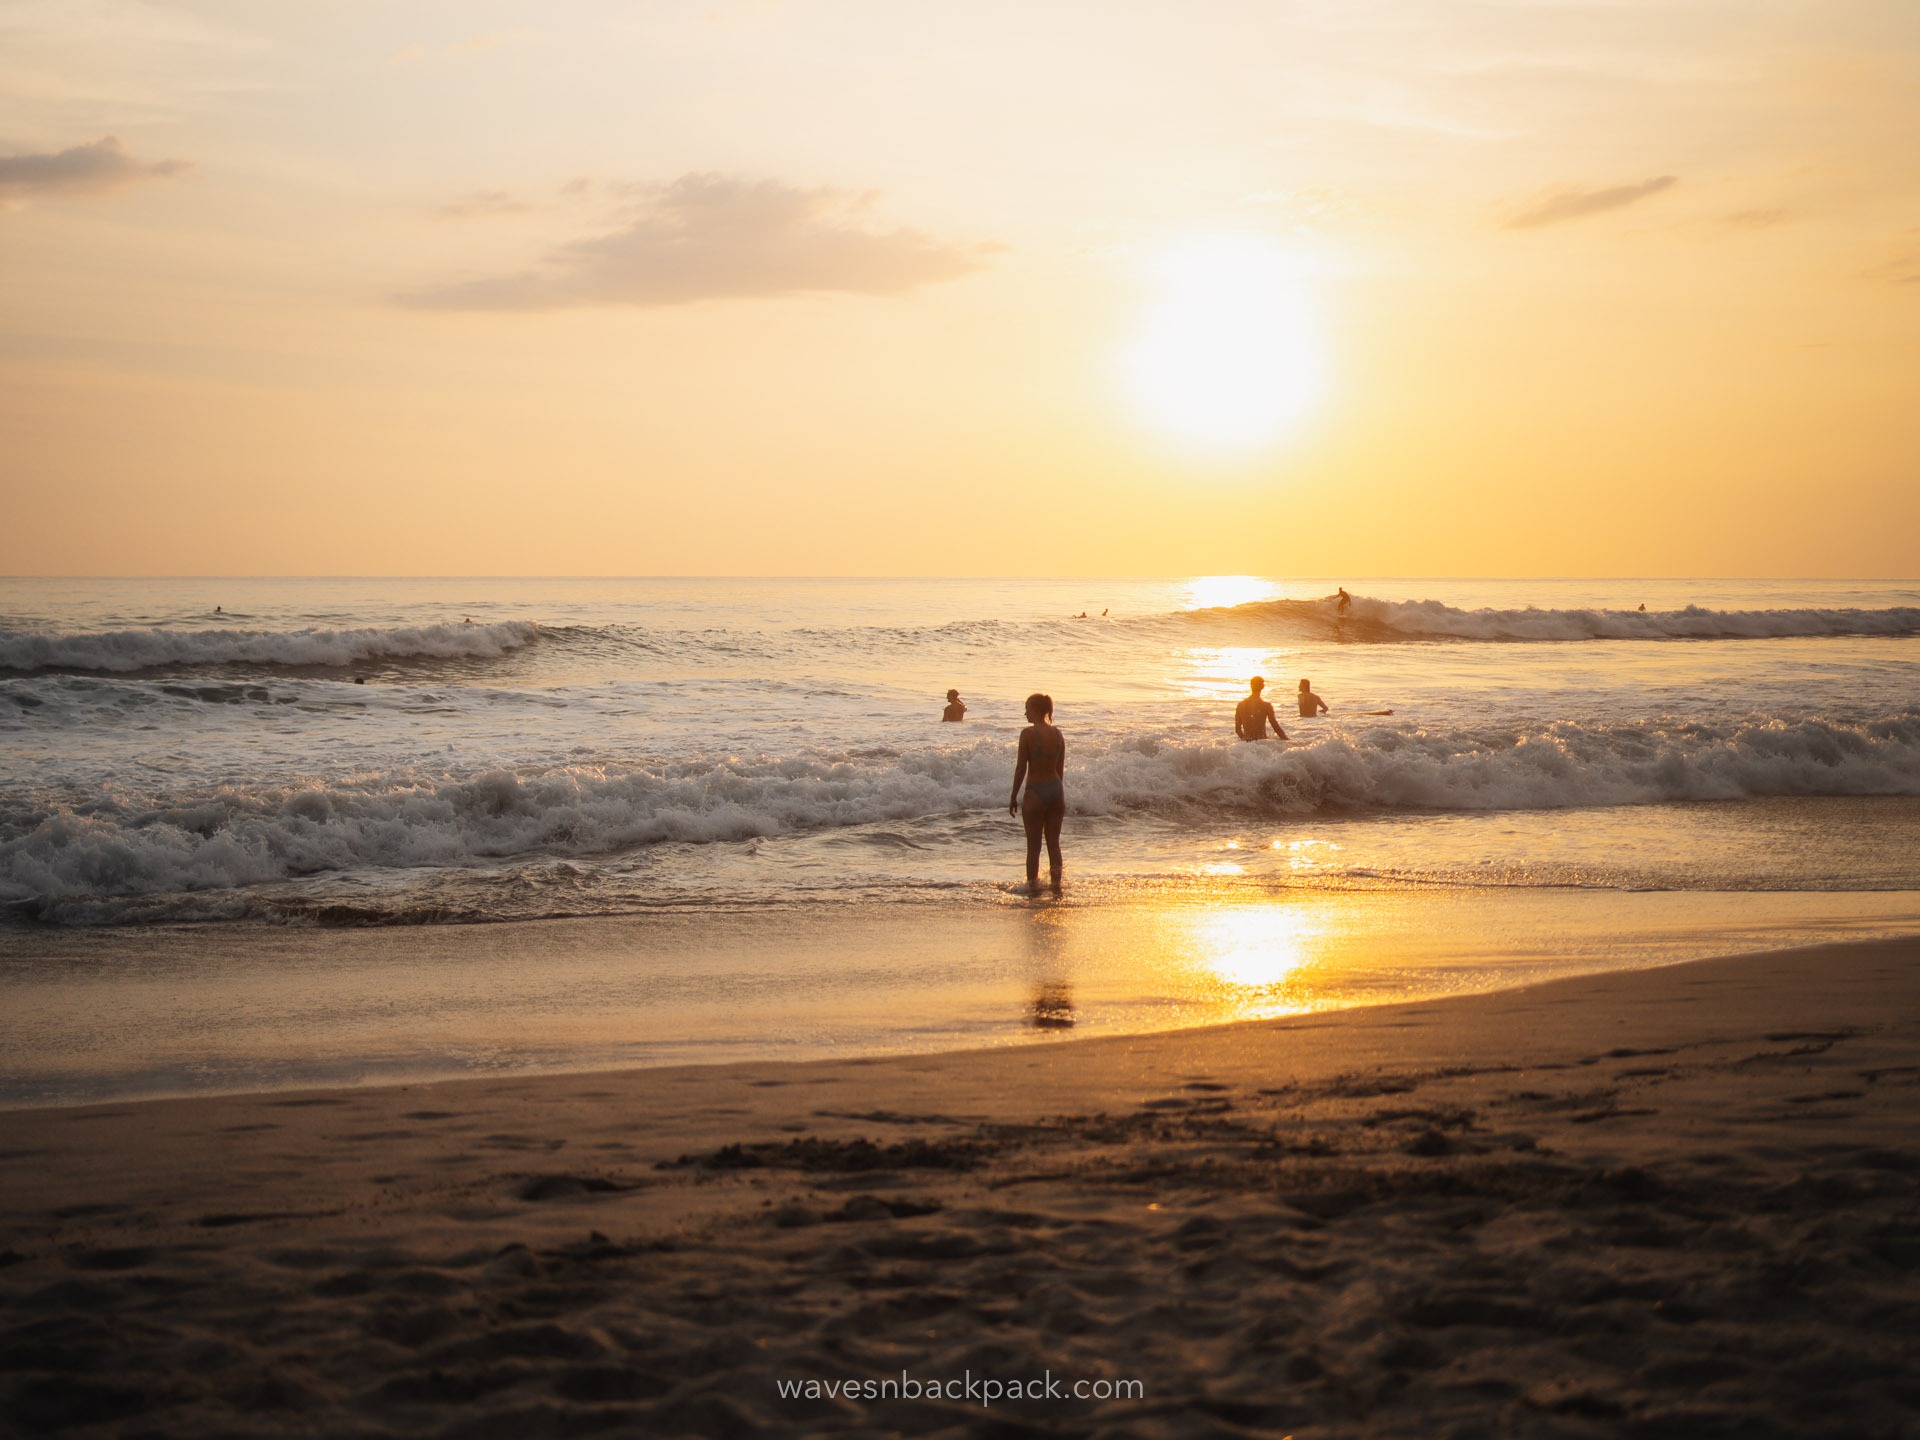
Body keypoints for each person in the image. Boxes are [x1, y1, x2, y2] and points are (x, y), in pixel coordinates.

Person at [1009, 692, 1066, 897]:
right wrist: (1058, 793)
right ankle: (1056, 887)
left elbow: (1020, 769)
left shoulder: (1027, 734)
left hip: (1035, 792)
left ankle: (1033, 889)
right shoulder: (1058, 734)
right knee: (1054, 843)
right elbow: (1060, 770)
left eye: (1027, 708)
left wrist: (1013, 796)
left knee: (1033, 847)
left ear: (1035, 709)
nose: (1025, 712)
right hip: (1056, 791)